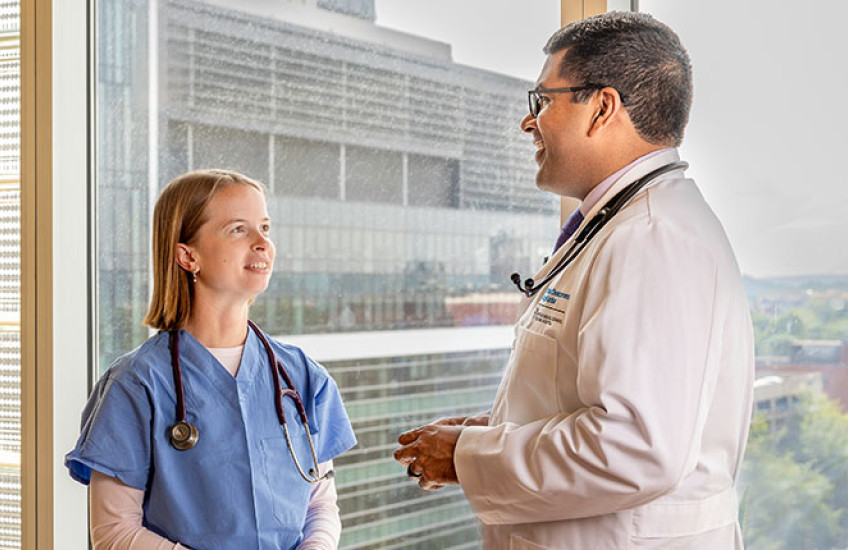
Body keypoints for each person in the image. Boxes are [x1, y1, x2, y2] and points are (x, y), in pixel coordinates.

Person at [394, 11, 754, 549]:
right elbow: (591, 400)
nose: (528, 122)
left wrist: (468, 456)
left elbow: (634, 449)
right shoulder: (624, 226)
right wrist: (492, 430)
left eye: (543, 100)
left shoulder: (652, 238)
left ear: (602, 108)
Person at [66, 169, 356, 549]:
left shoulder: (302, 375)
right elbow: (115, 533)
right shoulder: (135, 384)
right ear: (188, 256)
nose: (262, 243)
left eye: (265, 228)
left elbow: (320, 506)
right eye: (238, 229)